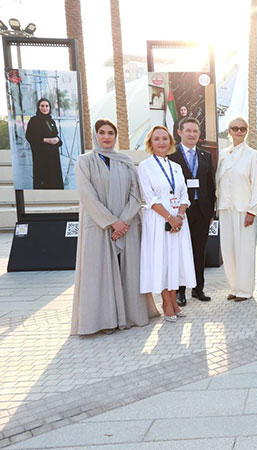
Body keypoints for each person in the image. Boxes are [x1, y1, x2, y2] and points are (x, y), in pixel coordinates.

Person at [71, 119, 158, 335]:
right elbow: (87, 196)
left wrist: (125, 221)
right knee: (99, 274)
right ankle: (104, 320)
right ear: (95, 135)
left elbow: (135, 194)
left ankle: (131, 315)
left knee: (128, 271)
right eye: (102, 132)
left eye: (111, 133)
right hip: (99, 226)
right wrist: (112, 222)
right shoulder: (85, 161)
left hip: (127, 226)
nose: (107, 136)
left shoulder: (125, 161)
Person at [138, 125, 195, 322]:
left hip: (179, 222)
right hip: (158, 221)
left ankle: (175, 300)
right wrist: (169, 218)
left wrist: (179, 215)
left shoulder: (176, 167)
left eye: (164, 138)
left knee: (174, 261)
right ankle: (166, 302)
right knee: (161, 260)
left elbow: (184, 195)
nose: (161, 142)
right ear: (150, 143)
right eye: (157, 139)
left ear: (170, 142)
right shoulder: (145, 167)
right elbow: (150, 198)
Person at [216, 117, 257, 302]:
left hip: (245, 211)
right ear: (229, 131)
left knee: (244, 251)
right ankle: (234, 287)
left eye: (242, 128)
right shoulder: (223, 154)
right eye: (234, 128)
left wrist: (252, 211)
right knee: (228, 250)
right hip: (225, 208)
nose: (238, 131)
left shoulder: (252, 155)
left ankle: (245, 290)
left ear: (246, 131)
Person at [169, 117, 216, 305]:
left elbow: (210, 185)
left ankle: (198, 289)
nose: (192, 134)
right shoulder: (172, 156)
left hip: (202, 211)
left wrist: (211, 212)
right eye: (188, 130)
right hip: (181, 211)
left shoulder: (206, 156)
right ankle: (180, 292)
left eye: (195, 131)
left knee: (199, 251)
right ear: (180, 133)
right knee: (180, 252)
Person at [25, 98, 64, 189]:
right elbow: (29, 137)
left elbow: (56, 136)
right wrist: (45, 140)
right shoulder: (34, 120)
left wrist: (57, 140)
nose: (45, 108)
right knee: (43, 179)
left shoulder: (51, 121)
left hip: (53, 157)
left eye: (47, 106)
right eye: (42, 106)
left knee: (54, 178)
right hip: (41, 156)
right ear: (38, 107)